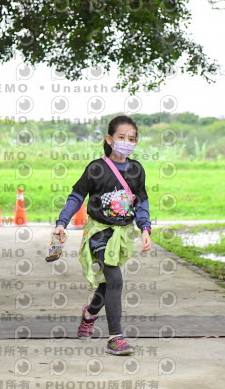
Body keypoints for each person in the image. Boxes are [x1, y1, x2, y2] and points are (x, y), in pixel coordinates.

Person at [53, 115, 152, 356]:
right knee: (115, 279)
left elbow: (141, 201)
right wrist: (62, 222)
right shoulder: (96, 168)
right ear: (109, 139)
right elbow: (77, 196)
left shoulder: (137, 169)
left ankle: (89, 314)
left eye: (131, 138)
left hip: (122, 234)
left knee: (108, 283)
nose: (126, 142)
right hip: (99, 233)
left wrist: (145, 227)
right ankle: (115, 338)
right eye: (121, 137)